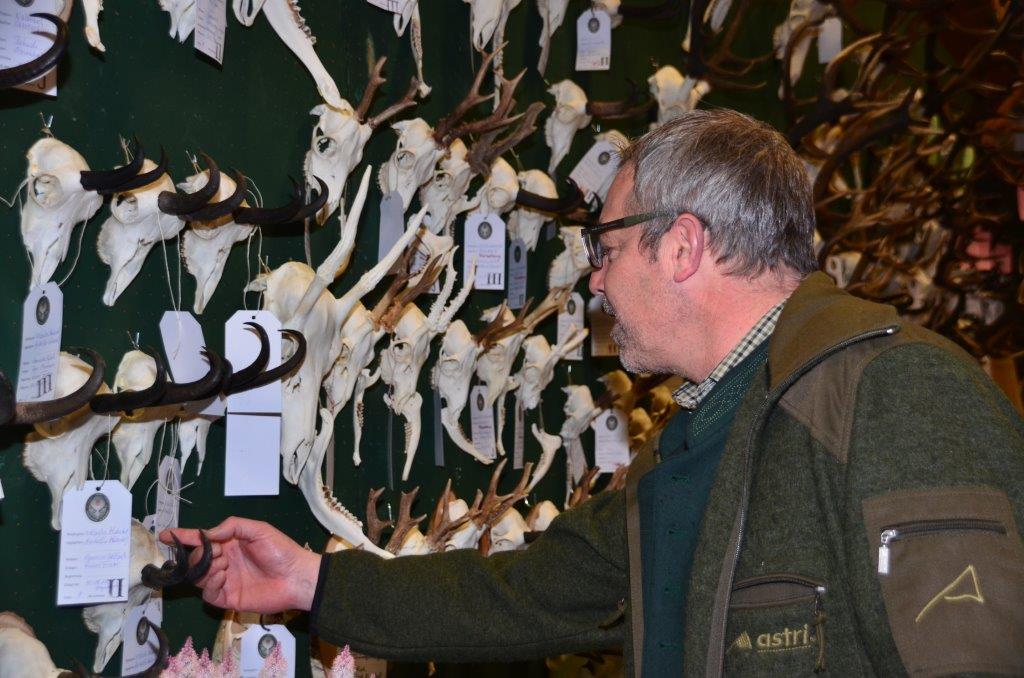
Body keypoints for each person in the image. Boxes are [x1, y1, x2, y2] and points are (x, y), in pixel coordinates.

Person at [166, 109, 1024, 676]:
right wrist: (314, 582)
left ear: (682, 246)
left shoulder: (896, 395)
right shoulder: (697, 437)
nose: (596, 282)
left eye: (605, 249)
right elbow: (534, 594)